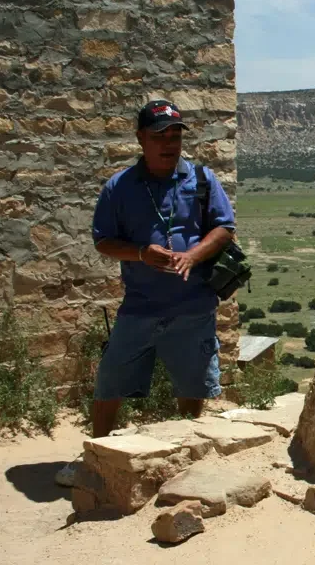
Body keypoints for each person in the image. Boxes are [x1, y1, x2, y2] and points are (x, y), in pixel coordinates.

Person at [90, 100, 236, 437]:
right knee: (110, 382)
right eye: (159, 136)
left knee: (193, 386)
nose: (169, 144)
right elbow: (103, 240)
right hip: (141, 305)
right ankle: (96, 454)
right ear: (141, 138)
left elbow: (224, 228)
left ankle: (186, 449)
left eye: (175, 136)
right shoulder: (119, 187)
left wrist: (193, 255)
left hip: (193, 306)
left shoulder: (202, 179)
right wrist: (141, 253)